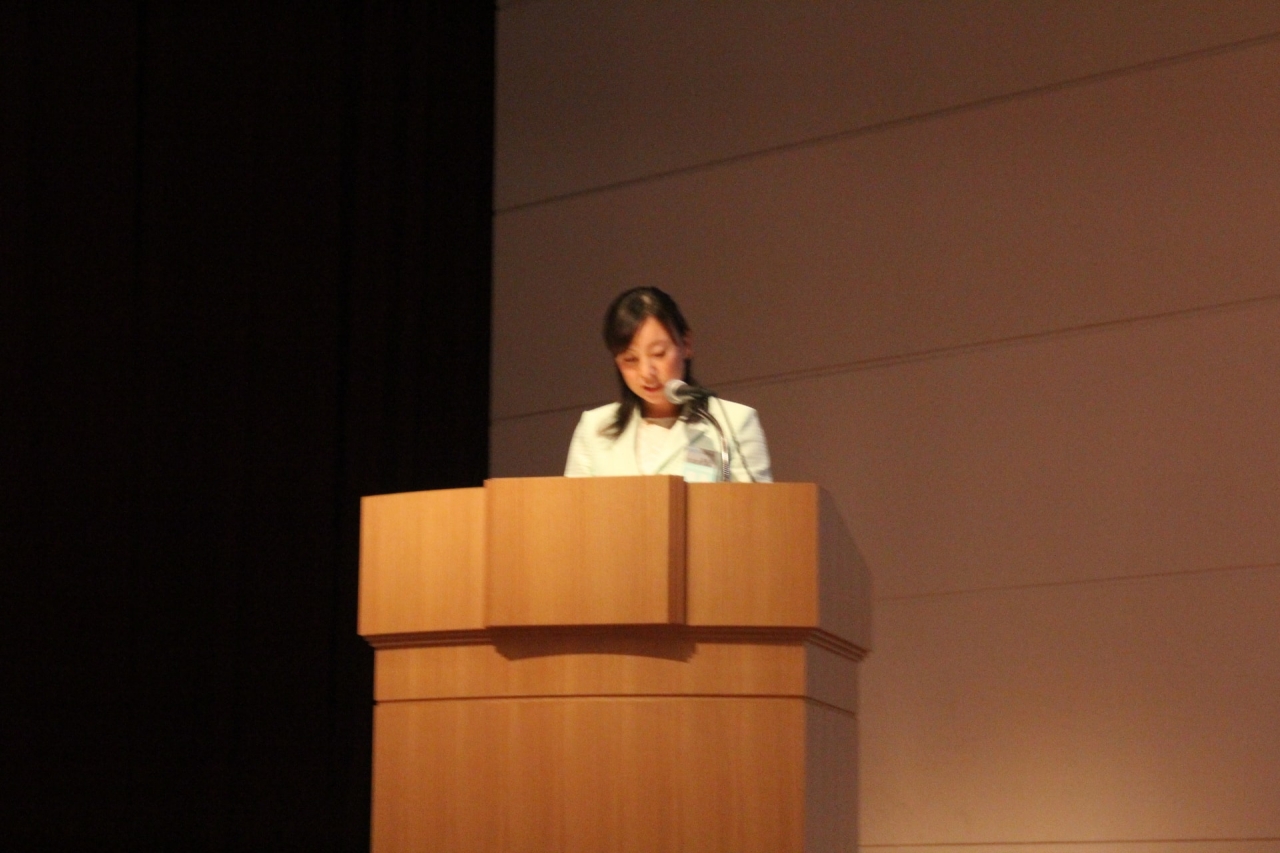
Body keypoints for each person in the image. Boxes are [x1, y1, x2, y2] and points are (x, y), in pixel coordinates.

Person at [564, 287, 772, 482]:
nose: (646, 373)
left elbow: (755, 506)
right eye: (630, 359)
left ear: (686, 345)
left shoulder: (731, 424)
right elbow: (573, 505)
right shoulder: (594, 428)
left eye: (658, 354)